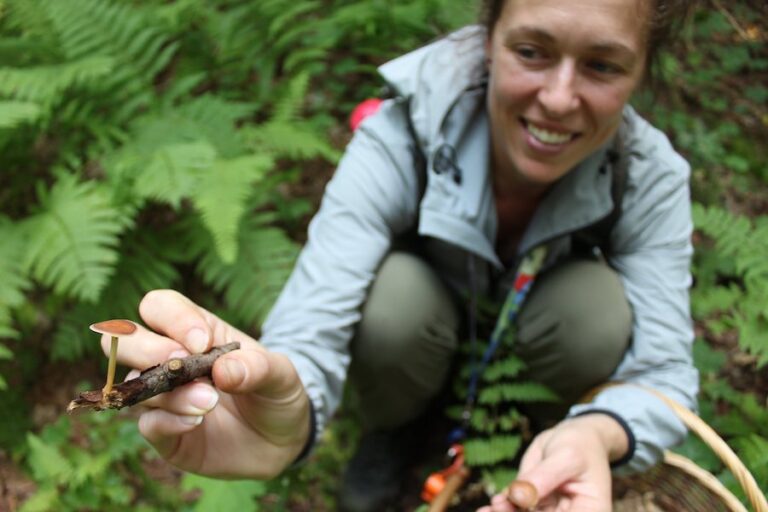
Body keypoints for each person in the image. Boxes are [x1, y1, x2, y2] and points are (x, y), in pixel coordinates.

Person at [105, 0, 698, 510]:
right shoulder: (406, 130)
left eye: (601, 65)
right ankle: (396, 428)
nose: (560, 98)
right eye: (532, 51)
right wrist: (287, 410)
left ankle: (547, 433)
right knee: (393, 302)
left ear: (641, 71)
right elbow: (317, 313)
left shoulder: (648, 176)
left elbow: (665, 374)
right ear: (489, 39)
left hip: (549, 327)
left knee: (595, 313)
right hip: (425, 320)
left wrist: (597, 433)